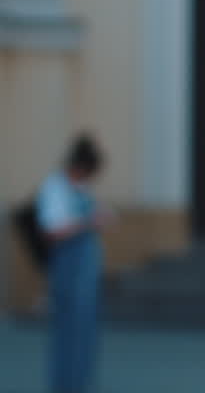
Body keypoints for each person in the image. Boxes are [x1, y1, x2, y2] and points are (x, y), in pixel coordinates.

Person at [36, 134, 113, 393]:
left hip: (86, 271)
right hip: (68, 269)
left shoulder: (81, 187)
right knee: (67, 331)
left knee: (85, 331)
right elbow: (52, 231)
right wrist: (88, 222)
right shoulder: (55, 187)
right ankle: (65, 385)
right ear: (79, 167)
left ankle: (81, 382)